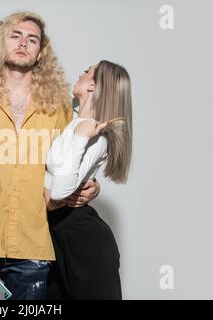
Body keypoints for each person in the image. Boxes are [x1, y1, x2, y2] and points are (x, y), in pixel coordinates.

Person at [0, 12, 100, 300]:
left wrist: (91, 185)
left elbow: (69, 164)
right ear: (0, 43)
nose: (23, 43)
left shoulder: (58, 108)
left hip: (32, 246)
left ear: (41, 52)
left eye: (32, 39)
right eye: (15, 36)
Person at [44, 61, 133, 299]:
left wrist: (81, 138)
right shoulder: (72, 123)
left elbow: (59, 191)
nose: (80, 74)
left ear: (93, 85)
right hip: (58, 238)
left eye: (86, 71)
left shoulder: (96, 136)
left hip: (83, 242)